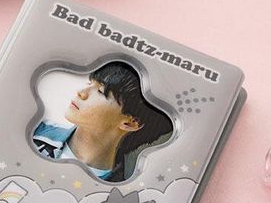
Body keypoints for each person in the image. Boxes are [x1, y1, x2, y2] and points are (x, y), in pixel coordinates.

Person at [33, 62, 173, 182]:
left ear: (131, 123)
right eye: (89, 83)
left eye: (100, 91)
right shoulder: (34, 133)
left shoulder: (117, 191)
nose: (81, 92)